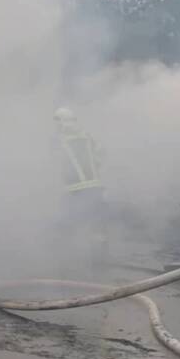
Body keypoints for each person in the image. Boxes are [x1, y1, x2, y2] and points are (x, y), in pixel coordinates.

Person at [54, 107, 106, 266]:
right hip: (95, 188)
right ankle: (100, 262)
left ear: (59, 122)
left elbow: (52, 165)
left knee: (67, 224)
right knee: (96, 226)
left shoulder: (58, 140)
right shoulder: (87, 136)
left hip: (73, 190)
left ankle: (66, 262)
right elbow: (99, 158)